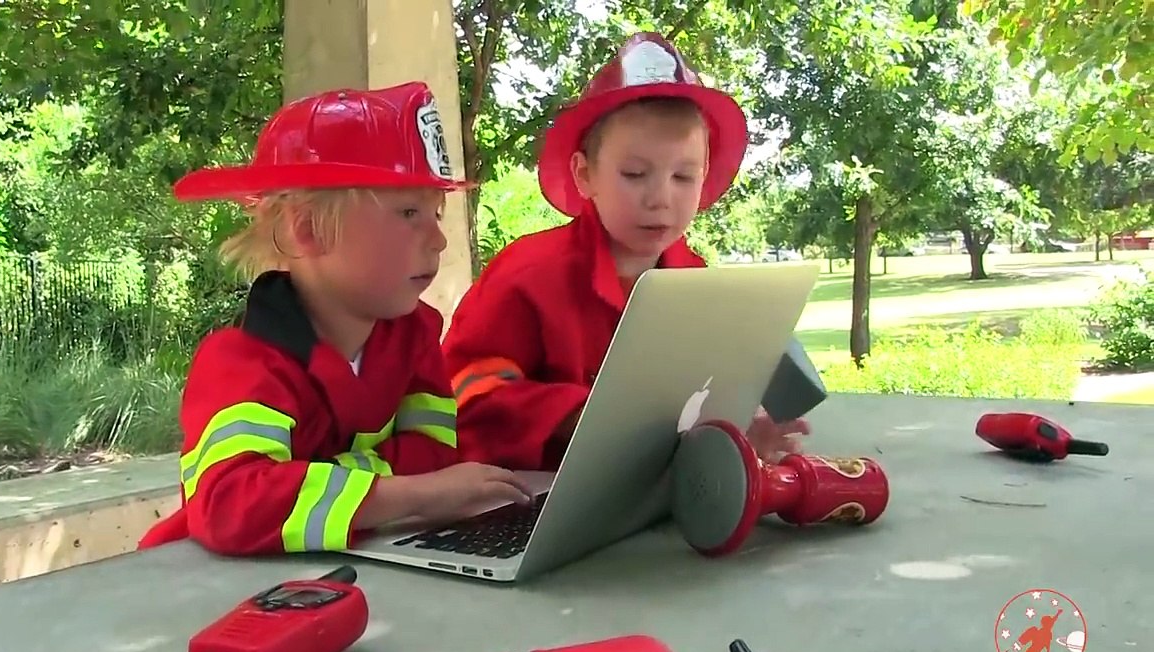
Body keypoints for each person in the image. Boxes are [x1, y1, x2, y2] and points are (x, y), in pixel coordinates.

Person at [138, 82, 533, 556]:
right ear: (307, 229)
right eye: (409, 212)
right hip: (219, 594)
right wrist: (413, 495)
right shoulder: (239, 364)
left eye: (436, 211)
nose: (439, 240)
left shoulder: (416, 335)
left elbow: (435, 454)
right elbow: (231, 504)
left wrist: (318, 486)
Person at [442, 32, 811, 473]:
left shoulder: (699, 285)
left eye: (683, 177)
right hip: (536, 499)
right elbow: (464, 391)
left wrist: (740, 434)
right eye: (635, 174)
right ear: (584, 175)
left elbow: (700, 404)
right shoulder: (527, 276)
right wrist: (579, 417)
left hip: (655, 496)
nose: (660, 198)